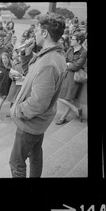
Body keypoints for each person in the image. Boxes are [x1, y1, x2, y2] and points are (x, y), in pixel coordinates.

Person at [9, 13, 67, 178]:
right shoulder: (53, 55)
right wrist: (27, 56)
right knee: (35, 155)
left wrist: (17, 110)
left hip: (30, 124)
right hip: (39, 123)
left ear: (45, 33)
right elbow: (33, 76)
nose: (34, 34)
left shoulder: (48, 62)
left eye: (36, 30)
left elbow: (38, 103)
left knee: (16, 162)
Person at [56, 32, 87, 125]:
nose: (71, 40)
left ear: (79, 41)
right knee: (58, 94)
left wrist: (69, 64)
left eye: (73, 39)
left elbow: (77, 66)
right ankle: (75, 109)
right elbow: (63, 59)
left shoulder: (84, 52)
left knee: (70, 98)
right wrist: (68, 64)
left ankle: (63, 117)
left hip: (75, 77)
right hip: (66, 74)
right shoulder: (70, 49)